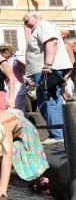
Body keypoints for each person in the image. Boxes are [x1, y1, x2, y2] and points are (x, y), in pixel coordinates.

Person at [23, 12, 73, 142]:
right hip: (47, 69)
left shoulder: (43, 25)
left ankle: (57, 135)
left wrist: (48, 64)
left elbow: (51, 42)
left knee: (46, 102)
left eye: (27, 17)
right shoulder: (42, 26)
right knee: (54, 101)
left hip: (46, 70)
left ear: (36, 17)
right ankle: (61, 135)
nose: (25, 20)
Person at [0, 43, 27, 111]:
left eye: (4, 49)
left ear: (10, 50)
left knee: (18, 108)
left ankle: (20, 121)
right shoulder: (1, 62)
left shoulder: (16, 59)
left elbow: (25, 71)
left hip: (17, 86)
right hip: (6, 87)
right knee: (9, 108)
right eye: (1, 50)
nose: (2, 52)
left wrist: (20, 63)